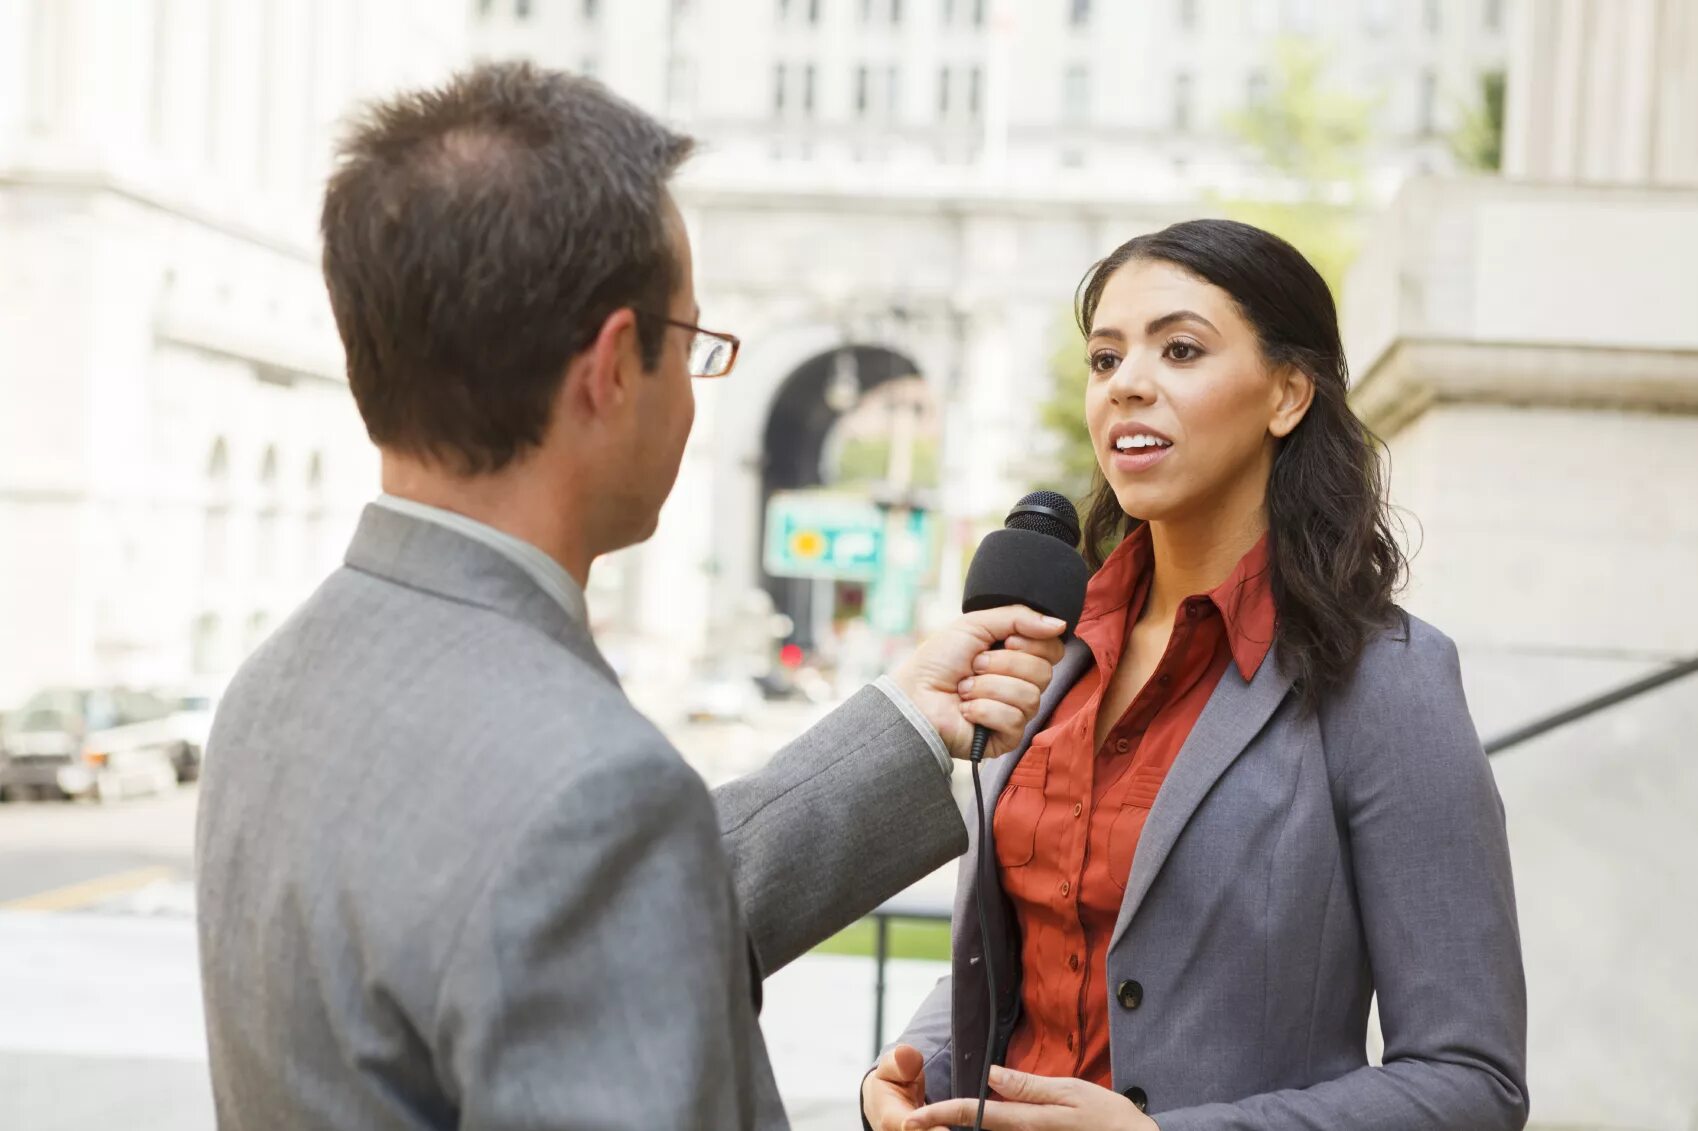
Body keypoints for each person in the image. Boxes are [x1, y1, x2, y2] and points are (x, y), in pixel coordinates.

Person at [194, 62, 1067, 1130]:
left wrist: (901, 729)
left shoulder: (272, 686)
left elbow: (546, 927)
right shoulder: (591, 795)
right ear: (613, 368)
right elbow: (579, 874)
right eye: (693, 345)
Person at [863, 219, 1529, 1131]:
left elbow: (1470, 1081)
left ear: (1288, 393)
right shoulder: (1056, 656)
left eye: (1180, 349)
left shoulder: (1386, 679)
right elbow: (1036, 957)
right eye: (1104, 359)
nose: (1127, 384)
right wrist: (915, 1071)